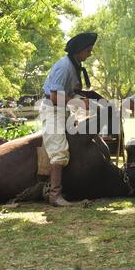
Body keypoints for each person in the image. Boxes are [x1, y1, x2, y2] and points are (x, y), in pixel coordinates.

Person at [40, 32, 97, 206]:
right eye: (88, 50)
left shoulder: (74, 65)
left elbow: (68, 94)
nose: (89, 54)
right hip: (52, 109)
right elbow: (56, 97)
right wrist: (80, 102)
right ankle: (54, 195)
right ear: (79, 51)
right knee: (59, 151)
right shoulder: (64, 67)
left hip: (62, 110)